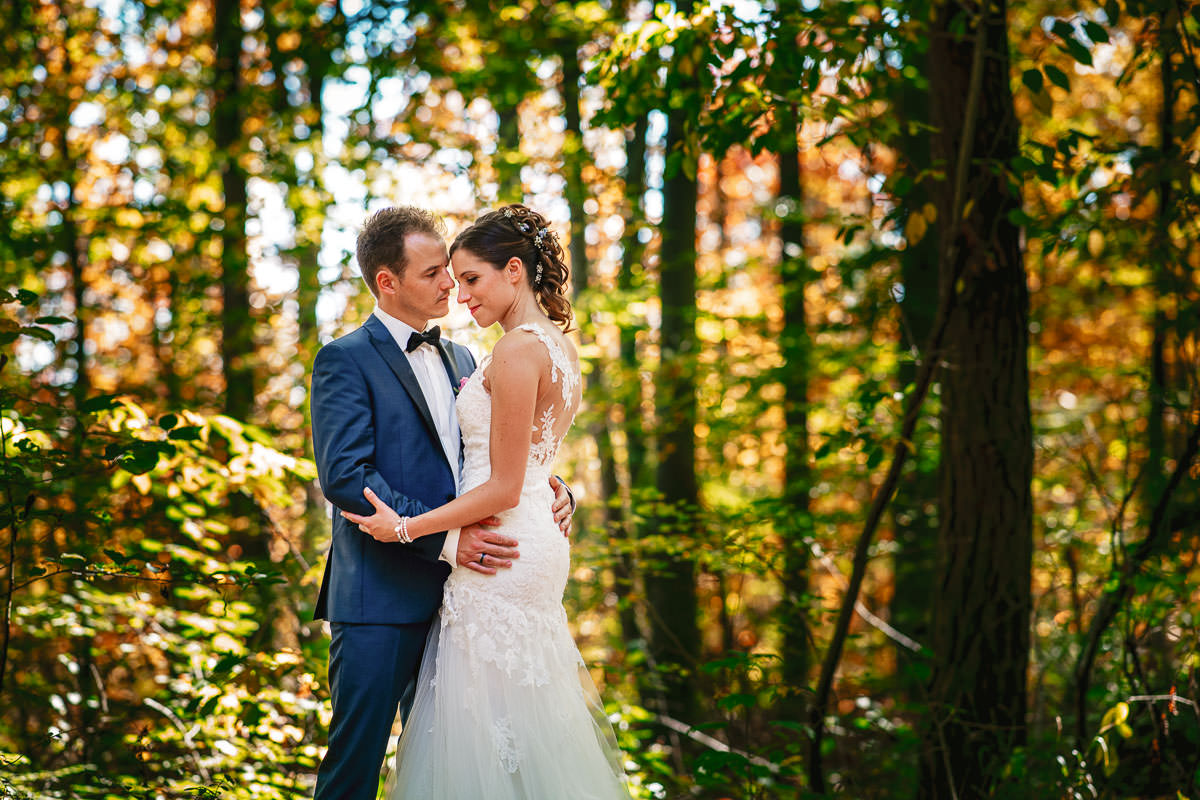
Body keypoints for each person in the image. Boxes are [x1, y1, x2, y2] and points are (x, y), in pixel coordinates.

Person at [343, 204, 629, 799]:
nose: (456, 289)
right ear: (387, 282)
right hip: (431, 571)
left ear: (514, 271)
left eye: (468, 277)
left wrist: (409, 526)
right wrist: (544, 487)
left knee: (481, 735)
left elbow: (507, 475)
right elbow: (349, 474)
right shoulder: (540, 347)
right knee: (511, 723)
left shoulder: (497, 353)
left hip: (499, 553)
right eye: (443, 275)